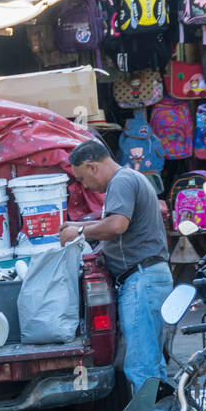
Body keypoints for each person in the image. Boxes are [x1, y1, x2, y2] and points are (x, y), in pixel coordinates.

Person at [60, 139, 173, 392]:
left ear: (92, 167)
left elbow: (116, 225)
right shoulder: (130, 178)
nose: (84, 185)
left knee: (141, 365)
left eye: (81, 178)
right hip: (148, 278)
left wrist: (77, 229)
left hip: (141, 280)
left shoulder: (120, 181)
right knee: (151, 362)